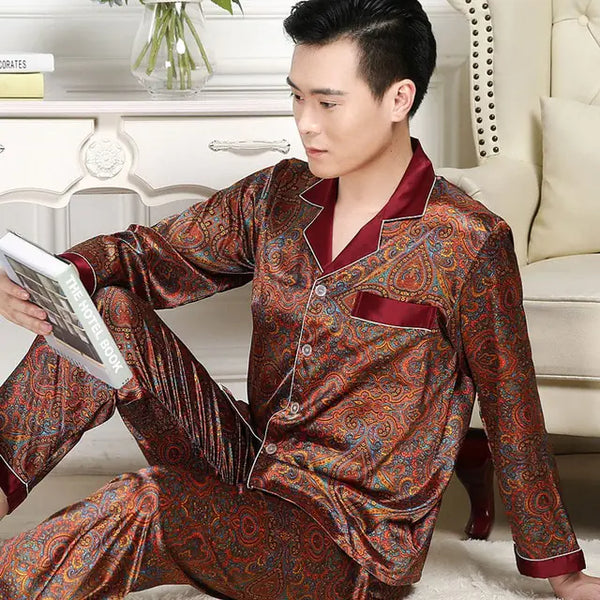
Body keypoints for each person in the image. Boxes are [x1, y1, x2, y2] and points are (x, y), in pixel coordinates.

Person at [0, 0, 598, 598]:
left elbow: (512, 408)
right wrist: (42, 282)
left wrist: (563, 574)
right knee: (104, 312)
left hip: (347, 541)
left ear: (399, 99)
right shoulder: (277, 196)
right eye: (297, 97)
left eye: (328, 103)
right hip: (253, 466)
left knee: (149, 503)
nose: (306, 123)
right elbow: (151, 254)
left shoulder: (468, 241)